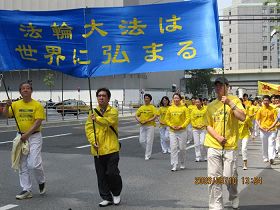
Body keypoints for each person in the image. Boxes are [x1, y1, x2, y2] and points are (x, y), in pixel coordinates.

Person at [204, 77, 245, 210]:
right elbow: (208, 125)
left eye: (221, 86)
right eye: (216, 86)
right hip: (214, 145)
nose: (218, 88)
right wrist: (217, 137)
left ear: (227, 87)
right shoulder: (211, 106)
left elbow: (242, 117)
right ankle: (216, 205)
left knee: (229, 177)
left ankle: (233, 195)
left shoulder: (235, 101)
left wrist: (229, 103)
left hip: (230, 146)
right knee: (214, 178)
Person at [3, 81, 46, 200]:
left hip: (34, 137)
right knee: (22, 164)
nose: (25, 90)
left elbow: (38, 122)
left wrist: (27, 134)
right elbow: (6, 115)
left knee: (34, 163)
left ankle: (41, 181)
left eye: (28, 88)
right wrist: (7, 105)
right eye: (23, 88)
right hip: (20, 136)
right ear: (20, 92)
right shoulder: (15, 104)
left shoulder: (37, 105)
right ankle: (26, 189)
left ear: (31, 91)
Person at [85, 88, 122, 207]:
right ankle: (106, 197)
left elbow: (108, 122)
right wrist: (92, 140)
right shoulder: (92, 112)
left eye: (104, 96)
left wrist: (97, 119)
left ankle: (116, 193)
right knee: (101, 175)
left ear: (108, 98)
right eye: (99, 96)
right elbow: (89, 128)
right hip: (98, 149)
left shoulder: (113, 111)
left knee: (112, 173)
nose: (101, 97)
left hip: (112, 148)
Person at [165, 93, 190, 171]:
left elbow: (188, 118)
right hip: (172, 131)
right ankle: (174, 164)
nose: (176, 99)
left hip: (182, 131)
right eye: (174, 98)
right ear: (173, 99)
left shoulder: (184, 108)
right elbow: (167, 119)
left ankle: (182, 162)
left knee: (182, 148)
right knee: (173, 148)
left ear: (180, 99)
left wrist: (182, 126)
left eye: (177, 98)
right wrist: (171, 125)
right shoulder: (170, 108)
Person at [255, 95, 278, 165]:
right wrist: (260, 127)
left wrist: (271, 127)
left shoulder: (273, 109)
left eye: (267, 100)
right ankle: (265, 157)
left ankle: (271, 158)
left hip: (272, 130)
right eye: (264, 100)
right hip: (263, 130)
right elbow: (257, 119)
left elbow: (276, 119)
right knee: (264, 144)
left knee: (271, 143)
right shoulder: (260, 109)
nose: (266, 102)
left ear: (269, 101)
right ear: (262, 101)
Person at [135, 94, 157, 160]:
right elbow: (136, 115)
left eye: (147, 98)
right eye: (145, 98)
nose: (146, 99)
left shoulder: (152, 107)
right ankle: (148, 150)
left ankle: (147, 155)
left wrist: (147, 120)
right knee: (141, 141)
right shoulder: (141, 107)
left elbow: (155, 116)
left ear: (150, 99)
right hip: (142, 126)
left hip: (150, 126)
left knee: (149, 141)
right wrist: (139, 120)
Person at [238, 98, 253, 170]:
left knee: (244, 149)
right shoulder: (235, 117)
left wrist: (252, 134)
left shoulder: (247, 118)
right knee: (235, 150)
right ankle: (234, 163)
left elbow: (250, 127)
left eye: (242, 109)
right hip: (237, 136)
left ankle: (245, 163)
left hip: (245, 135)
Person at [191, 98, 207, 162]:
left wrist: (203, 125)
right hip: (195, 129)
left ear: (201, 102)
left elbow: (207, 118)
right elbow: (192, 120)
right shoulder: (193, 111)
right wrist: (195, 126)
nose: (197, 103)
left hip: (203, 129)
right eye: (196, 102)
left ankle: (206, 156)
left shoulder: (205, 110)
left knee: (203, 143)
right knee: (196, 144)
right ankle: (198, 157)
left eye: (198, 102)